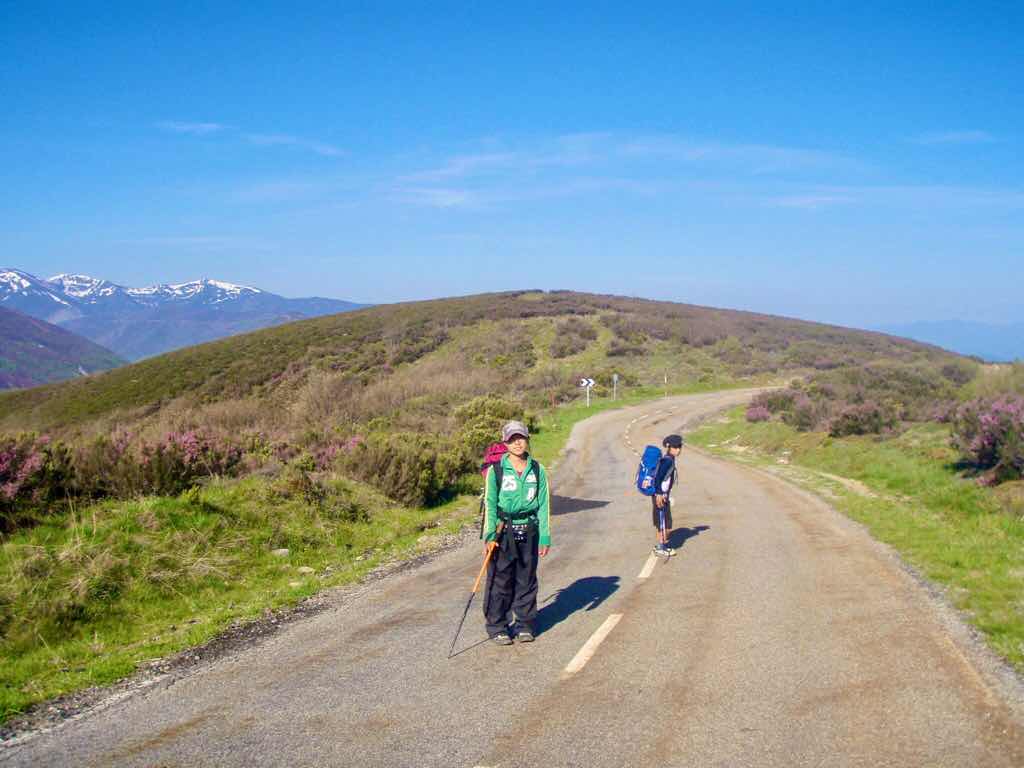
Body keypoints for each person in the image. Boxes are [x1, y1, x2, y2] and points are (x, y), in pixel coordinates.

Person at [482, 420, 551, 645]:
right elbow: (490, 504)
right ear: (505, 442)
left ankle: (524, 624)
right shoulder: (496, 471)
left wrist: (545, 536)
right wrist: (489, 536)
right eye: (512, 439)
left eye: (520, 438)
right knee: (500, 581)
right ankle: (497, 626)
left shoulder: (537, 469)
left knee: (526, 580)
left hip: (529, 529)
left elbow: (544, 504)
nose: (517, 443)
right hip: (503, 531)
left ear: (527, 439)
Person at [652, 434, 683, 557]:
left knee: (663, 522)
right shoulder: (667, 461)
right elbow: (658, 478)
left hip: (663, 495)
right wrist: (659, 494)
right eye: (676, 447)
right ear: (669, 447)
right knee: (664, 523)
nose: (678, 450)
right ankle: (660, 547)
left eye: (680, 447)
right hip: (660, 496)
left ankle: (661, 545)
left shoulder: (670, 459)